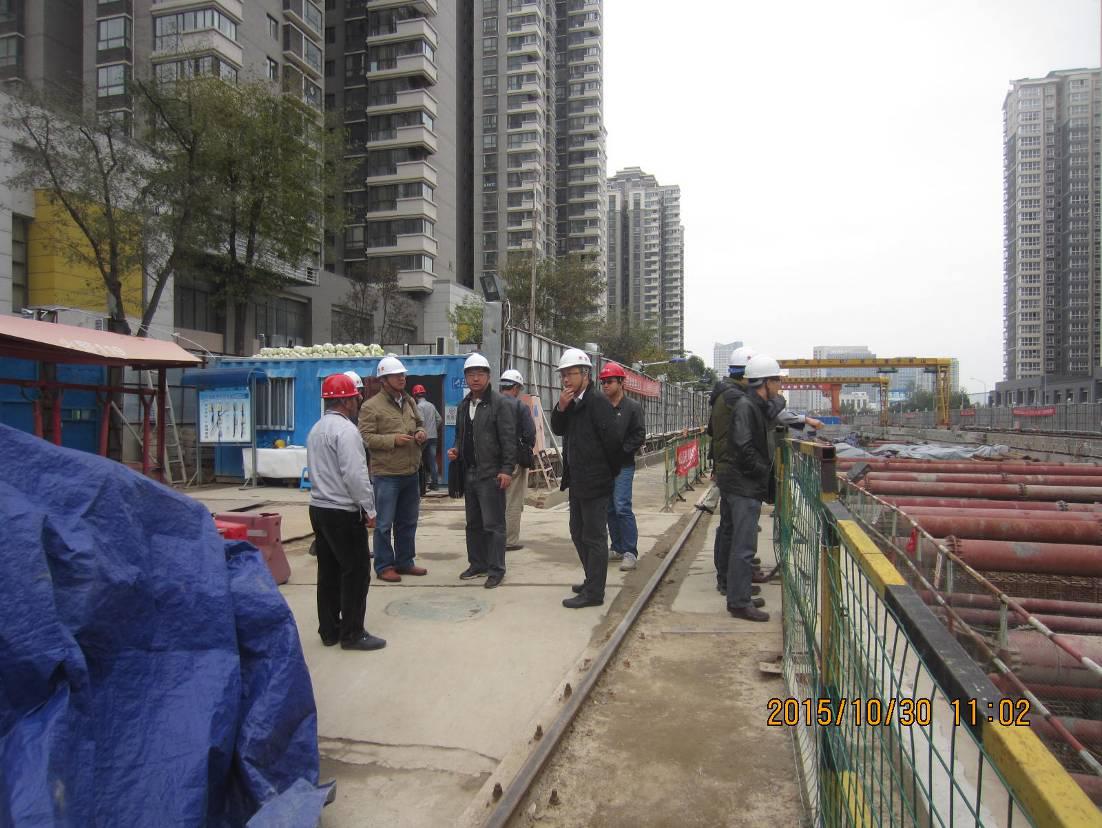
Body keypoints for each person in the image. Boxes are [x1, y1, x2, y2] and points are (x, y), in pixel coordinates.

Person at [306, 373, 385, 651]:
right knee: (356, 572)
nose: (358, 401)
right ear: (347, 401)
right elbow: (355, 475)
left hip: (319, 508)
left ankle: (329, 630)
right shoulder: (347, 431)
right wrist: (370, 508)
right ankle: (352, 633)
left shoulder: (317, 429)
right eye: (355, 397)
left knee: (328, 571)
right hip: (342, 511)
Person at [550, 348, 623, 609]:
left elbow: (613, 444)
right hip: (577, 481)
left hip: (595, 481)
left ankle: (594, 592)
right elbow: (558, 428)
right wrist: (561, 407)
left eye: (571, 374)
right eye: (563, 375)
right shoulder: (571, 402)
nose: (566, 379)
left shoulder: (597, 402)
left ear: (585, 374)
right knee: (577, 532)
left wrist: (606, 475)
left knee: (594, 536)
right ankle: (592, 578)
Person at [723, 354, 786, 622]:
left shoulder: (753, 406)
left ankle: (740, 596)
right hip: (744, 486)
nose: (779, 386)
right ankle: (739, 603)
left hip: (744, 484)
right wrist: (763, 472)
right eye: (776, 381)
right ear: (765, 382)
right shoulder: (746, 407)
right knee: (743, 546)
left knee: (742, 544)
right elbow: (744, 447)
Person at [447, 353, 516, 588]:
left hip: (491, 474)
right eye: (470, 374)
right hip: (469, 473)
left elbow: (509, 440)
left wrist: (507, 470)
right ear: (465, 378)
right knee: (473, 523)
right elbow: (460, 436)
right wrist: (456, 450)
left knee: (494, 525)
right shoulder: (463, 405)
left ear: (488, 376)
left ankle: (496, 569)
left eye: (480, 374)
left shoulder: (500, 404)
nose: (475, 378)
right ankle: (478, 564)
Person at [358, 355, 428, 583]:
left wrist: (420, 433)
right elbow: (365, 437)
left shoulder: (409, 401)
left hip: (410, 472)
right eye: (396, 375)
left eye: (402, 375)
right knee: (384, 524)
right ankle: (384, 565)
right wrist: (392, 440)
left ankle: (405, 562)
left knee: (408, 522)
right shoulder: (370, 406)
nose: (401, 378)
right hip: (387, 475)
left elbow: (420, 424)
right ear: (383, 380)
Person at [598, 362, 645, 571]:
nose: (605, 385)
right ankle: (616, 547)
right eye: (603, 382)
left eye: (609, 381)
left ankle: (629, 551)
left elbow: (639, 435)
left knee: (622, 506)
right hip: (604, 467)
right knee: (609, 508)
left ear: (621, 382)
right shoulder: (601, 407)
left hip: (623, 465)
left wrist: (621, 452)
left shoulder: (632, 408)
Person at [498, 368, 536, 551]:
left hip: (492, 461)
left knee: (494, 501)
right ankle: (509, 541)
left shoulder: (490, 404)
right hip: (514, 461)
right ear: (515, 387)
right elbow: (530, 434)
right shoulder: (520, 407)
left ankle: (493, 537)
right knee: (513, 501)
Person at [412, 384, 442, 492]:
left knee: (419, 459)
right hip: (433, 436)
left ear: (415, 396)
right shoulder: (431, 405)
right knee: (432, 460)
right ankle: (435, 484)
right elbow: (439, 419)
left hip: (423, 438)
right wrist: (433, 428)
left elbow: (421, 421)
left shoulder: (419, 407)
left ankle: (421, 484)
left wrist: (421, 432)